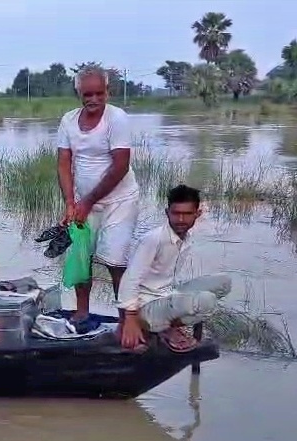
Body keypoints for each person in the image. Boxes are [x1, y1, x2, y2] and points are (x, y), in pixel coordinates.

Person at [56, 65, 140, 333]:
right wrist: (70, 203)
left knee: (116, 259)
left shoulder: (117, 119)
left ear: (108, 92)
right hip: (83, 202)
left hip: (119, 200)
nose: (93, 100)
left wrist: (87, 202)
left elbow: (120, 166)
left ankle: (126, 319)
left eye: (99, 94)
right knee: (81, 255)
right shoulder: (68, 120)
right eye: (87, 94)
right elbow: (63, 163)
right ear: (79, 92)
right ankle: (82, 312)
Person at [117, 185, 232, 353]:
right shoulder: (153, 239)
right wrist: (130, 319)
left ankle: (170, 323)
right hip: (147, 307)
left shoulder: (185, 237)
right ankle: (161, 328)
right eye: (176, 213)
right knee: (207, 301)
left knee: (224, 282)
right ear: (167, 213)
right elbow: (130, 279)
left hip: (167, 294)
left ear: (197, 214)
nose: (181, 220)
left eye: (187, 214)